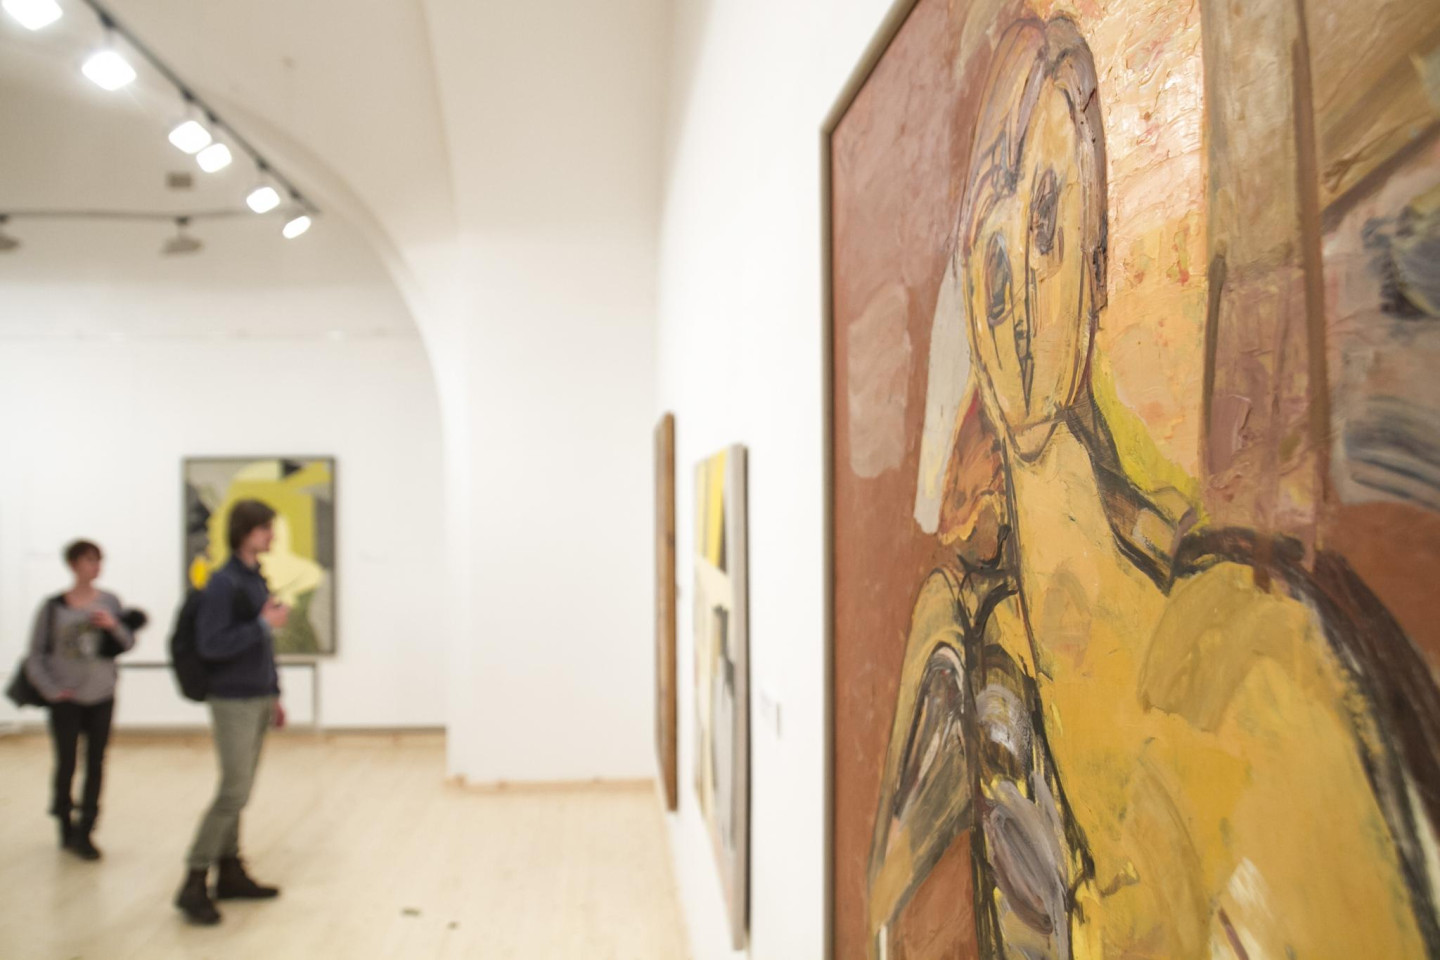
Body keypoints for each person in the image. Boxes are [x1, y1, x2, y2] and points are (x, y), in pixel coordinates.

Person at [174, 499, 289, 925]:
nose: (271, 535)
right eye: (264, 528)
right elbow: (212, 644)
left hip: (257, 696)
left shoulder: (254, 578)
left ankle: (230, 871)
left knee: (241, 790)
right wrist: (261, 625)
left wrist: (274, 693)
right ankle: (194, 878)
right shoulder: (223, 583)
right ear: (244, 532)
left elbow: (262, 646)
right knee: (233, 792)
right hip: (232, 699)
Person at [25, 539, 135, 860]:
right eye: (90, 560)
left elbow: (126, 642)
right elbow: (35, 655)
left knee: (96, 762)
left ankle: (87, 828)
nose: (96, 567)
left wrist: (113, 625)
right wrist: (52, 691)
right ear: (74, 565)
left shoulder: (110, 602)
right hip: (66, 699)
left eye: (99, 560)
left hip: (102, 695)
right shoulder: (53, 608)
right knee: (66, 762)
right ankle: (64, 821)